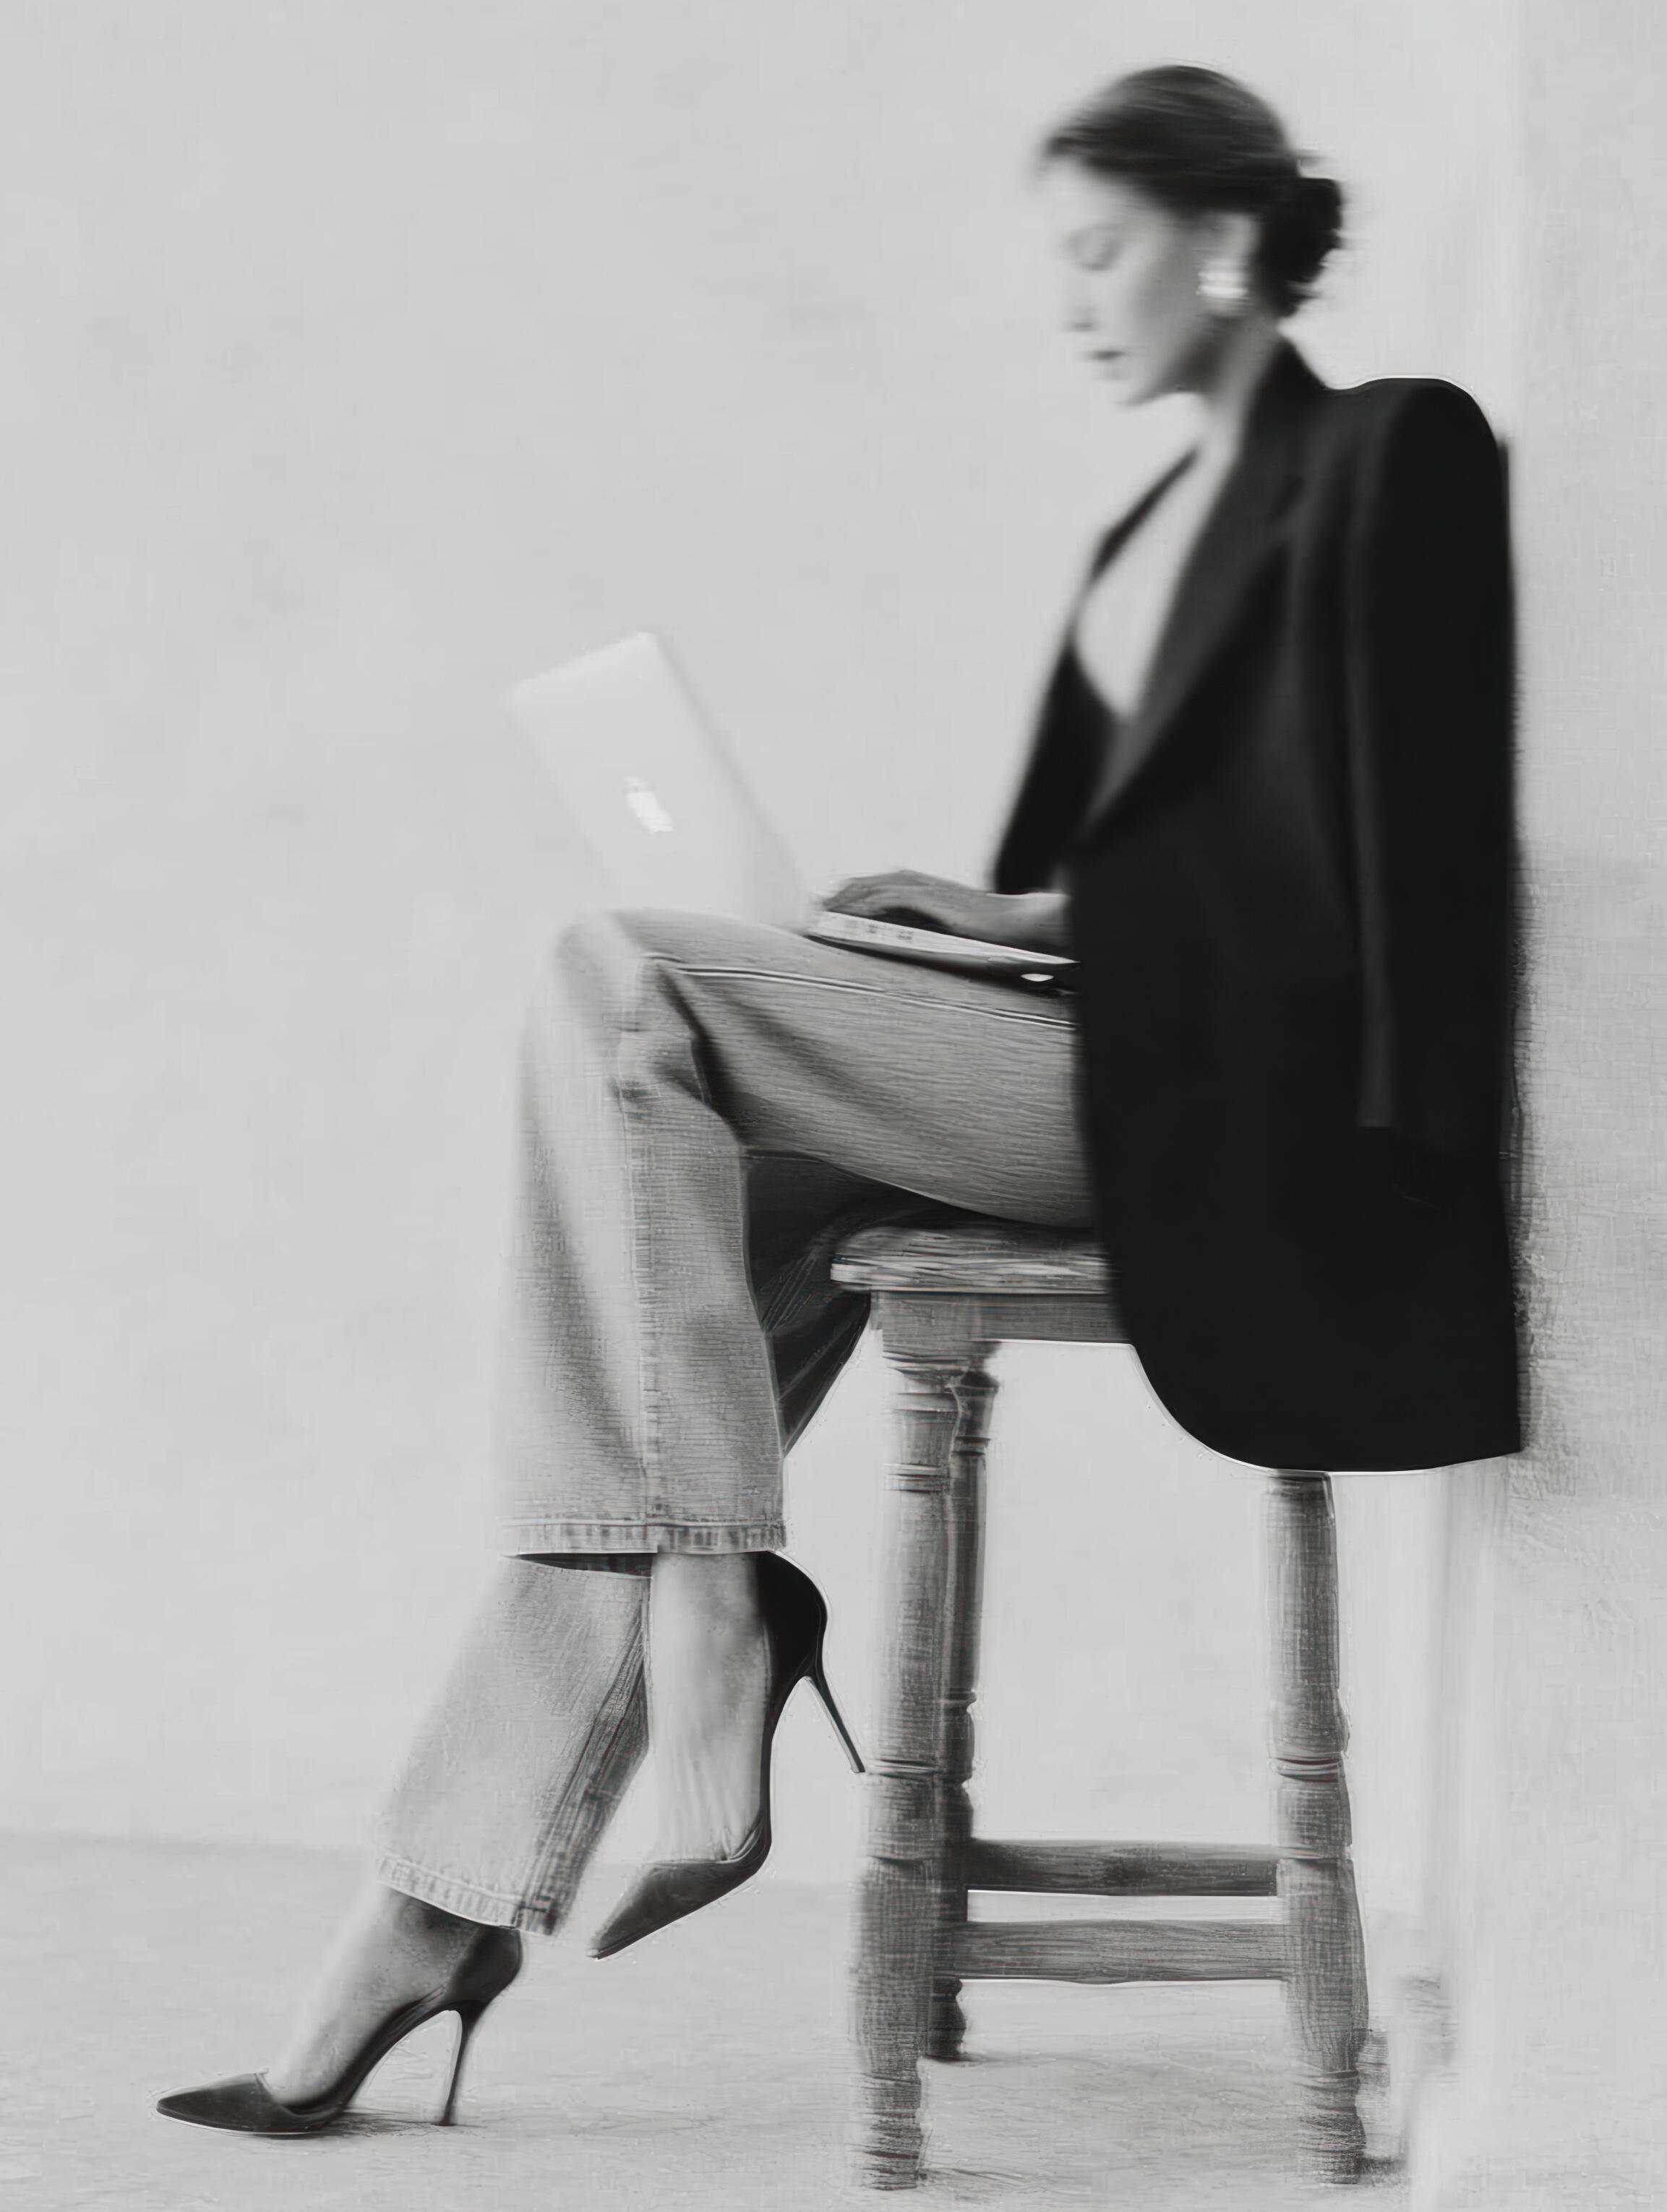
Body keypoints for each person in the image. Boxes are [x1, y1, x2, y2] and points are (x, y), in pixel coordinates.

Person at [158, 63, 1517, 2135]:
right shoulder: (1146, 526)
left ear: (1228, 241)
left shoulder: (1388, 449)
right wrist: (977, 922)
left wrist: (1117, 971)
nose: (1069, 299)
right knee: (654, 1297)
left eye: (1099, 249)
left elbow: (1385, 839)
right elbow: (1133, 865)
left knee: (619, 976)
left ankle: (716, 1603)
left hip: (1217, 1103)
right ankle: (427, 1904)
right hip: (1081, 1031)